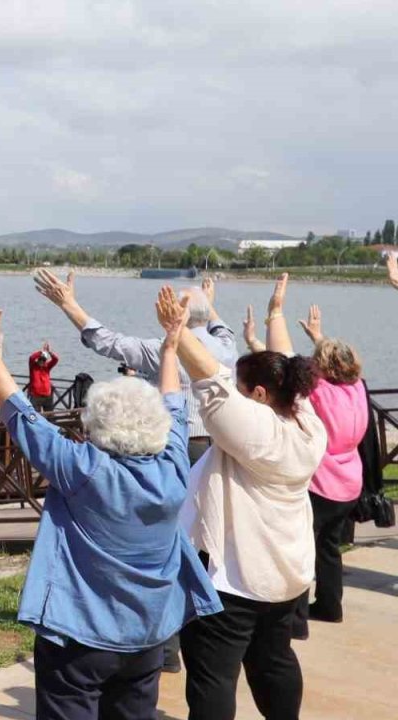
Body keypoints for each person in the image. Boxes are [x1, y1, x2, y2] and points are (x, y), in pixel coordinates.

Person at [0, 287, 222, 720]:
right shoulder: (173, 464)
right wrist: (171, 345)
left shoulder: (82, 469)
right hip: (147, 635)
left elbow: (19, 413)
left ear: (96, 427)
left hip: (80, 637)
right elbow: (174, 402)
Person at [173, 274, 326, 720]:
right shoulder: (305, 420)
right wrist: (276, 314)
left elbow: (208, 380)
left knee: (213, 675)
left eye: (243, 390)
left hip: (234, 580)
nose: (236, 395)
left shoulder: (256, 433)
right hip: (285, 573)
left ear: (259, 394)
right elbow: (290, 364)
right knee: (273, 659)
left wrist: (177, 328)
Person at [35, 270, 237, 463]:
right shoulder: (227, 346)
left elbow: (109, 342)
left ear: (179, 313)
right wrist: (206, 304)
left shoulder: (162, 349)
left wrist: (68, 303)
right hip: (222, 442)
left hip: (182, 443)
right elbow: (222, 328)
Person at [291, 305, 369, 634]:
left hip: (323, 484)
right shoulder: (357, 388)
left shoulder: (320, 393)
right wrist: (319, 337)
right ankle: (329, 605)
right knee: (330, 547)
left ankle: (295, 622)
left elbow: (303, 372)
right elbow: (338, 365)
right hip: (350, 482)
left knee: (300, 547)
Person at [27, 342, 60, 412]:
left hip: (47, 396)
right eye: (40, 359)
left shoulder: (47, 366)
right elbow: (31, 357)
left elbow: (56, 359)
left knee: (50, 415)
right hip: (36, 396)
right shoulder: (33, 366)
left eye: (43, 360)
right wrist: (42, 351)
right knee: (36, 416)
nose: (41, 361)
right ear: (38, 359)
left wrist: (49, 352)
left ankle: (51, 423)